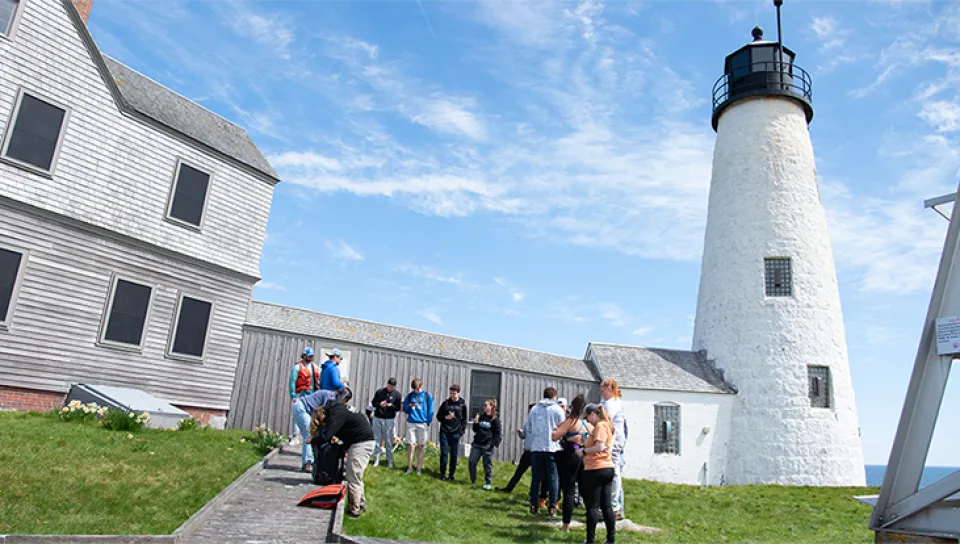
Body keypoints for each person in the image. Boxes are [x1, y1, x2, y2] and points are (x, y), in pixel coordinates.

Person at [319, 388, 375, 518]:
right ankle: (360, 503)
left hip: (361, 443)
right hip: (363, 441)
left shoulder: (337, 412)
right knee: (356, 475)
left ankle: (353, 510)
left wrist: (314, 439)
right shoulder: (344, 410)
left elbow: (328, 434)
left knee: (352, 475)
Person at [551, 394, 591, 531]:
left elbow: (555, 437)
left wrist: (556, 430)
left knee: (568, 490)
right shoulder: (587, 424)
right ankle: (591, 517)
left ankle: (566, 525)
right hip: (583, 455)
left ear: (572, 407)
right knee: (584, 489)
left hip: (570, 456)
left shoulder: (571, 422)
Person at [523, 387, 565, 516]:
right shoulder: (557, 409)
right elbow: (562, 427)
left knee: (536, 477)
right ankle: (552, 506)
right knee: (553, 477)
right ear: (554, 397)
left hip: (536, 447)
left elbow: (529, 427)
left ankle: (534, 505)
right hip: (552, 447)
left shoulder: (535, 409)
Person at [580, 403, 617, 544]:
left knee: (592, 506)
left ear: (593, 414)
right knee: (606, 506)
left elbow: (599, 446)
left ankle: (590, 540)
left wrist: (584, 450)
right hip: (607, 467)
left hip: (596, 468)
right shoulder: (608, 425)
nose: (588, 421)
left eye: (588, 417)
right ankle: (610, 539)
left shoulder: (601, 426)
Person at [496, 403, 546, 500]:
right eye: (529, 410)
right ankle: (509, 488)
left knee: (536, 476)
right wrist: (521, 433)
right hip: (527, 452)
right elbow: (524, 436)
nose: (530, 412)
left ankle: (534, 494)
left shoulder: (541, 423)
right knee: (519, 472)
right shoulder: (527, 423)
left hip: (536, 452)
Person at [288, 347, 321, 472]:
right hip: (301, 396)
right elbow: (292, 382)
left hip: (312, 397)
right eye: (309, 356)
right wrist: (293, 396)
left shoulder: (315, 367)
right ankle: (296, 437)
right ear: (304, 356)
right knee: (302, 424)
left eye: (312, 355)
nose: (311, 357)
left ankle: (310, 460)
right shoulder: (297, 368)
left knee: (312, 427)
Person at [601, 378, 627, 519]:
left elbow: (605, 420)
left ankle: (613, 504)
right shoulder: (612, 402)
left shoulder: (612, 404)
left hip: (613, 441)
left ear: (610, 390)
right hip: (612, 439)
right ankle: (612, 503)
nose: (602, 393)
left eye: (604, 390)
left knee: (614, 471)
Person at [436, 384, 467, 481]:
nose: (452, 395)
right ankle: (442, 474)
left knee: (454, 454)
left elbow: (464, 419)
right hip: (445, 431)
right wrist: (445, 417)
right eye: (451, 393)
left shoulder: (462, 405)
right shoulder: (445, 404)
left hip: (456, 432)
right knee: (444, 453)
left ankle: (451, 475)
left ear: (458, 393)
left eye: (454, 393)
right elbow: (438, 416)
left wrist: (461, 431)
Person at [402, 378, 433, 475]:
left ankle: (419, 468)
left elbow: (430, 410)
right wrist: (409, 407)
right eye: (414, 389)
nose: (416, 391)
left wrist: (427, 420)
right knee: (411, 445)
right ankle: (409, 467)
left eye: (417, 389)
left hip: (422, 423)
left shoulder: (427, 396)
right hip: (411, 422)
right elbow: (405, 409)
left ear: (421, 386)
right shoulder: (410, 395)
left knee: (421, 446)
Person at [469, 399, 502, 489]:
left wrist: (492, 445)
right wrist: (475, 423)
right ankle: (473, 481)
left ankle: (488, 482)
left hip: (487, 445)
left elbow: (498, 433)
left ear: (491, 407)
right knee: (472, 462)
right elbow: (475, 430)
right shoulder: (481, 417)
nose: (484, 407)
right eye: (483, 405)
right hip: (477, 444)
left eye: (485, 405)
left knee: (487, 464)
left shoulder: (495, 419)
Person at [370, 377, 402, 468]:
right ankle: (376, 459)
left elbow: (397, 408)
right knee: (377, 439)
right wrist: (379, 404)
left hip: (389, 419)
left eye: (392, 386)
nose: (390, 388)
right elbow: (373, 403)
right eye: (389, 385)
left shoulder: (397, 395)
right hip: (378, 417)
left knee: (388, 440)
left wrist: (390, 406)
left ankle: (389, 461)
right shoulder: (380, 392)